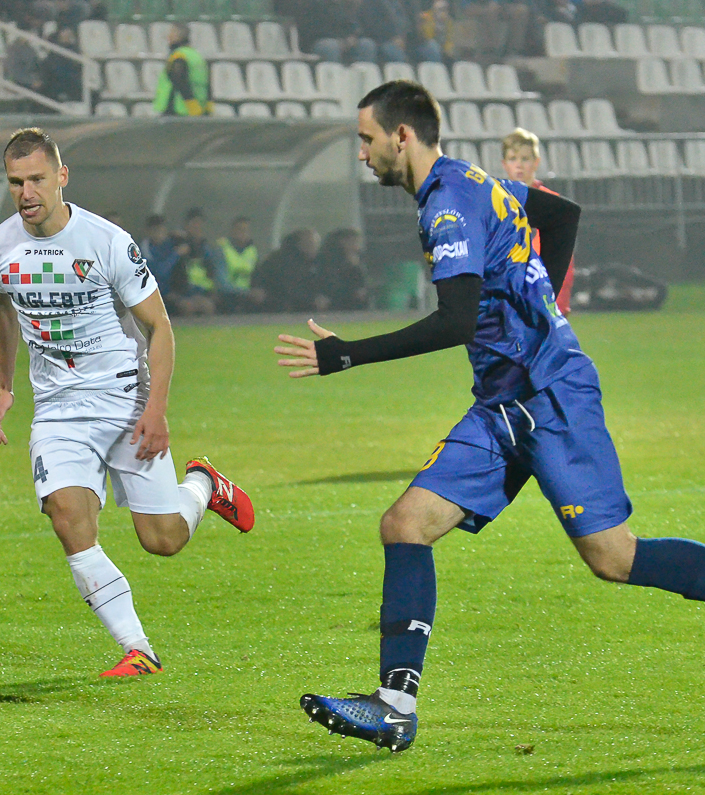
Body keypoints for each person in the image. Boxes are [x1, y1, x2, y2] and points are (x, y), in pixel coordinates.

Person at [274, 80, 705, 752]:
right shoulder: (472, 180)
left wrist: (347, 354)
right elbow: (561, 216)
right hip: (503, 403)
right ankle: (394, 706)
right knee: (404, 524)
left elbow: (456, 320)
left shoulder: (448, 202)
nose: (361, 153)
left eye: (366, 138)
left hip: (551, 395)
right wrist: (540, 305)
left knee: (614, 558)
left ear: (401, 136)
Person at [0, 128, 255, 677]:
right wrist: (5, 384)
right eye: (15, 182)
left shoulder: (107, 242)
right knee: (66, 517)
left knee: (163, 539)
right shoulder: (0, 245)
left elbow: (160, 327)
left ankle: (204, 484)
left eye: (37, 179)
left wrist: (156, 410)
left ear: (62, 176)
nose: (26, 192)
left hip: (125, 400)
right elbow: (0, 307)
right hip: (57, 408)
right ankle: (139, 649)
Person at [502, 127, 574, 315]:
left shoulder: (553, 203)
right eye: (513, 159)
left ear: (536, 162)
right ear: (504, 164)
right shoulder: (496, 204)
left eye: (525, 159)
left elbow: (564, 261)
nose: (519, 165)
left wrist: (558, 305)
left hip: (544, 301)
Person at [250, 228, 319, 313]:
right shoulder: (280, 260)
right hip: (277, 306)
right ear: (300, 244)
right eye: (310, 244)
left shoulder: (316, 263)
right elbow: (288, 288)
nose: (314, 248)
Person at [152, 24, 213, 117]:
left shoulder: (178, 56)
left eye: (171, 33)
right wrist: (208, 104)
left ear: (177, 36)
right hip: (201, 107)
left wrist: (191, 103)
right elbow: (207, 83)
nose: (168, 37)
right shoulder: (197, 56)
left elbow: (179, 81)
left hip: (177, 109)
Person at [312, 228, 370, 310]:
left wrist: (356, 268)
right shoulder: (328, 259)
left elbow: (363, 282)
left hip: (354, 301)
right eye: (353, 241)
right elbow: (330, 282)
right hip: (334, 301)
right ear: (342, 242)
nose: (357, 246)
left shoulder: (359, 258)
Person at [215, 216, 259, 312]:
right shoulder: (223, 249)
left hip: (247, 296)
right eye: (239, 229)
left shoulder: (252, 251)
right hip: (228, 295)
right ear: (232, 231)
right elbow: (221, 282)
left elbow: (256, 277)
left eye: (245, 230)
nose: (242, 233)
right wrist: (245, 292)